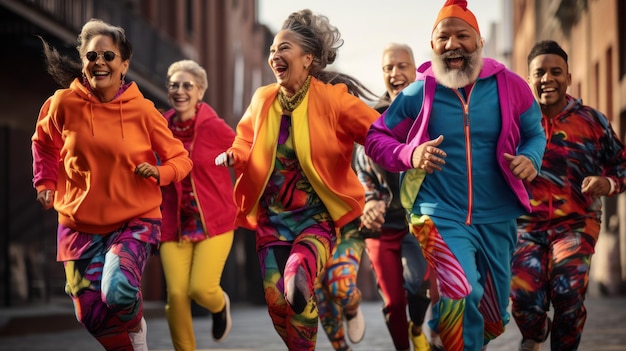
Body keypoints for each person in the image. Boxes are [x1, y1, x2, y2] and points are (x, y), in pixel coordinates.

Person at [364, 1, 547, 350]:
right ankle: (450, 334)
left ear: (479, 43)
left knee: (494, 315)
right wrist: (410, 153)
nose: (452, 44)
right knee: (461, 290)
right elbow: (376, 137)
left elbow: (534, 132)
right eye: (443, 38)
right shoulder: (419, 93)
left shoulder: (510, 86)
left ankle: (443, 330)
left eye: (462, 36)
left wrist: (530, 157)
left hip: (498, 216)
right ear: (432, 47)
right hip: (439, 213)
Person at [214, 8, 380, 351]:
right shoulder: (263, 98)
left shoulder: (334, 99)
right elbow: (245, 139)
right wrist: (236, 154)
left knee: (297, 283)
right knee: (278, 304)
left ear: (308, 59)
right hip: (272, 220)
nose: (275, 55)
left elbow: (379, 133)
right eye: (273, 49)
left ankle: (345, 309)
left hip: (315, 218)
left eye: (284, 48)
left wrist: (409, 151)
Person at [31, 19, 193, 351]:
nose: (100, 62)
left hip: (133, 218)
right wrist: (45, 181)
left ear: (124, 64)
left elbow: (181, 159)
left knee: (118, 290)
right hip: (78, 225)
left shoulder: (144, 111)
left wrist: (160, 173)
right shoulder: (62, 104)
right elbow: (44, 143)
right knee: (91, 314)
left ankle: (135, 323)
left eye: (108, 55)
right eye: (92, 56)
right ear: (83, 61)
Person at [510, 40, 626, 351]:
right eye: (540, 73)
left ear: (568, 78)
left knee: (568, 293)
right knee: (523, 299)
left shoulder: (592, 121)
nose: (547, 78)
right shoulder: (514, 123)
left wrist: (609, 183)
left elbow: (621, 164)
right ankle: (535, 333)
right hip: (525, 227)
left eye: (555, 72)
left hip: (576, 224)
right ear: (529, 79)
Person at [355, 42, 433, 351]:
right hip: (382, 224)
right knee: (392, 300)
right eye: (388, 67)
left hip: (418, 217)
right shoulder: (373, 117)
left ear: (415, 71)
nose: (395, 73)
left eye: (402, 66)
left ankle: (418, 327)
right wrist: (371, 199)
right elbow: (362, 166)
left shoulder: (430, 113)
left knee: (420, 283)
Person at [159, 59, 237, 350]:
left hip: (215, 222)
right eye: (174, 85)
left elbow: (246, 155)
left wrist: (246, 195)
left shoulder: (216, 128)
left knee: (201, 289)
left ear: (200, 92)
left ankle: (219, 306)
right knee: (177, 296)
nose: (180, 91)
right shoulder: (159, 127)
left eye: (187, 85)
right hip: (173, 225)